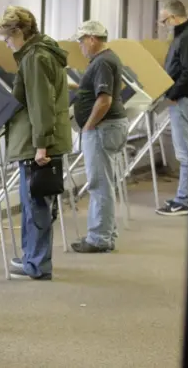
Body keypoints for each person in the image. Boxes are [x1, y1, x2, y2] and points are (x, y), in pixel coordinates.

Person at [0, 6, 72, 280]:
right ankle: (31, 258)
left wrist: (42, 145)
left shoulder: (34, 58)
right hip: (45, 138)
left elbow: (41, 104)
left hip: (37, 141)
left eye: (6, 38)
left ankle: (37, 265)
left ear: (18, 32)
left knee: (36, 204)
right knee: (35, 203)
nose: (6, 43)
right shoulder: (45, 51)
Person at [69, 21, 129, 253]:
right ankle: (106, 233)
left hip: (102, 127)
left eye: (81, 41)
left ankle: (98, 238)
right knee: (106, 182)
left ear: (92, 39)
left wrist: (89, 126)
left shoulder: (103, 61)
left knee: (99, 183)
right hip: (110, 126)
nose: (80, 46)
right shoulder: (107, 59)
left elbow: (104, 100)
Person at [155, 0, 188, 216]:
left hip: (184, 100)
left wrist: (172, 94)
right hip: (185, 99)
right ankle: (186, 196)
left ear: (173, 17)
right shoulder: (186, 35)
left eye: (164, 22)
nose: (164, 27)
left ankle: (184, 200)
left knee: (185, 152)